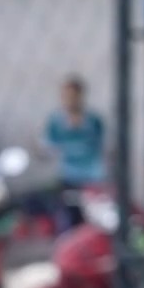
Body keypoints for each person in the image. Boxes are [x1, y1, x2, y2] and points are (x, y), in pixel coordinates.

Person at [43, 75, 106, 230]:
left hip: (92, 177)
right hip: (68, 175)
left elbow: (102, 145)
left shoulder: (93, 120)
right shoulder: (56, 121)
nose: (70, 100)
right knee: (69, 220)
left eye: (73, 96)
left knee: (93, 221)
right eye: (66, 96)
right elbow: (49, 146)